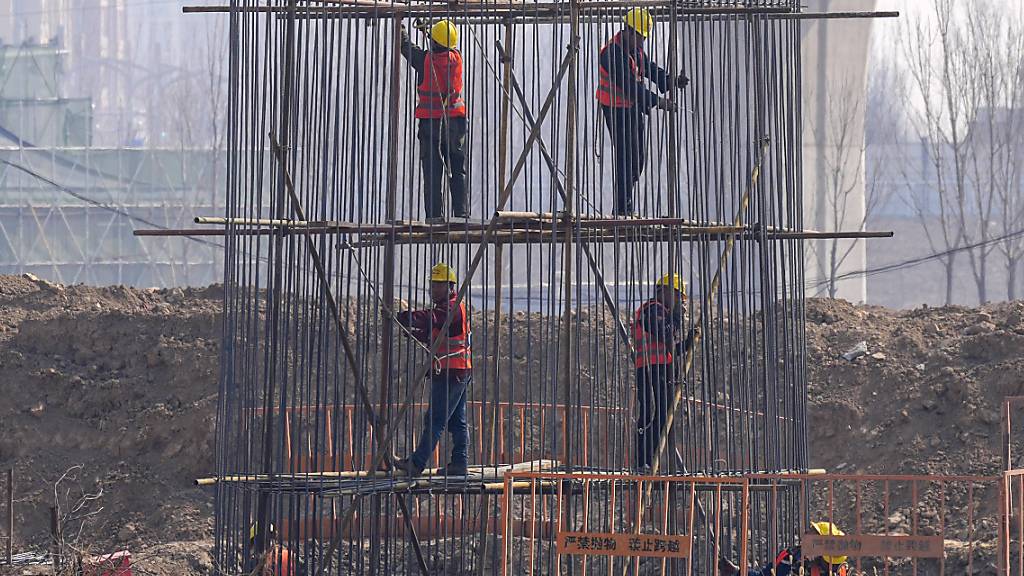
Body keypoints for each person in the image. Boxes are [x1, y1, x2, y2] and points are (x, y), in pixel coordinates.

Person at [597, 8, 689, 217]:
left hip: (631, 107)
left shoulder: (634, 49)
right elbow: (630, 86)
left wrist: (669, 80)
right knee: (625, 157)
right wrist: (658, 102)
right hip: (614, 109)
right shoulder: (611, 53)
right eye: (640, 36)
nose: (642, 42)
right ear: (629, 31)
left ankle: (624, 202)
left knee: (637, 159)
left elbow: (648, 67)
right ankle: (622, 209)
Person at [395, 263, 473, 476]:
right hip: (455, 372)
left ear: (450, 287)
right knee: (457, 420)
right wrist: (415, 332)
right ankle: (459, 463)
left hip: (452, 373)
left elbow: (433, 318)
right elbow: (436, 331)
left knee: (435, 419)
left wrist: (408, 317)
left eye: (439, 285)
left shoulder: (453, 308)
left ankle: (417, 463)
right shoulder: (447, 309)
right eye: (433, 285)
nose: (435, 289)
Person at [400, 19, 469, 222]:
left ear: (434, 44)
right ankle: (461, 212)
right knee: (457, 168)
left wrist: (401, 26)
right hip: (456, 124)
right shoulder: (457, 58)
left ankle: (434, 216)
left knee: (432, 171)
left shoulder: (425, 60)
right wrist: (428, 33)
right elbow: (440, 47)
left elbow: (406, 46)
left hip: (432, 124)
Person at [632, 272, 692, 472]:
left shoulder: (661, 311)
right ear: (667, 292)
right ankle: (643, 461)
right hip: (650, 369)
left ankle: (649, 460)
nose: (680, 302)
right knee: (650, 414)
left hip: (660, 368)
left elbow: (669, 346)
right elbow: (662, 332)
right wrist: (676, 318)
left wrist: (687, 343)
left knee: (663, 415)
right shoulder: (653, 310)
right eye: (679, 296)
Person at [718, 522, 853, 576]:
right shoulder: (792, 556)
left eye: (811, 532)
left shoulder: (836, 567)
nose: (806, 532)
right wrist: (738, 572)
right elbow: (767, 574)